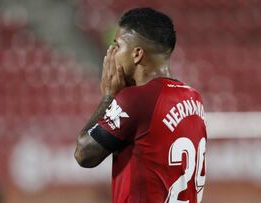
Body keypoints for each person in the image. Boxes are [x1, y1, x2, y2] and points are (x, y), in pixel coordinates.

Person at [74, 7, 207, 203]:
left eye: (117, 46)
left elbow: (84, 154)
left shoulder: (137, 99)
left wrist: (108, 97)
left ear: (137, 54)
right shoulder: (194, 98)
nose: (112, 53)